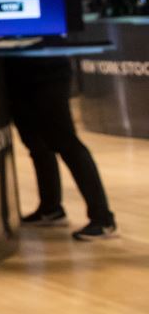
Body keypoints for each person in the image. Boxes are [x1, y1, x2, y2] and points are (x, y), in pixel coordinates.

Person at [7, 55, 118, 240]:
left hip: (47, 71)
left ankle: (103, 218)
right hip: (15, 73)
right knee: (36, 144)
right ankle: (51, 208)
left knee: (66, 142)